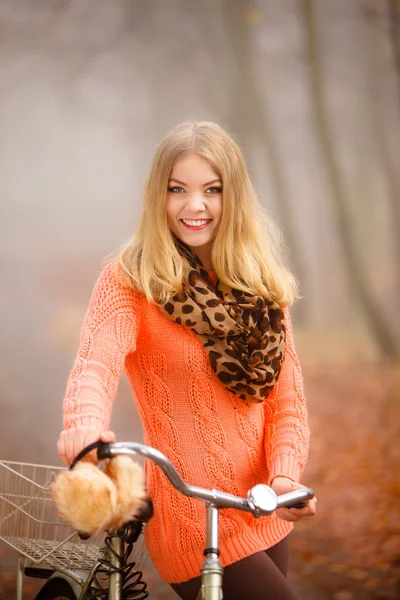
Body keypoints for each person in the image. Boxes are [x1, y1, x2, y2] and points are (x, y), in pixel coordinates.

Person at [57, 121, 315, 600]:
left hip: (261, 509)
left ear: (232, 196)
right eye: (178, 189)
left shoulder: (260, 284)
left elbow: (286, 403)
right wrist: (85, 430)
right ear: (160, 195)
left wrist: (283, 475)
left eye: (211, 190)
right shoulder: (131, 280)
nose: (194, 206)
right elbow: (94, 368)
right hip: (192, 518)